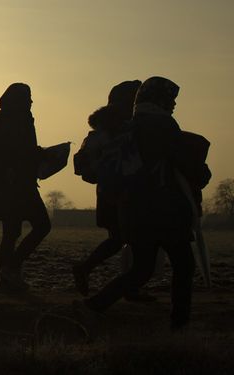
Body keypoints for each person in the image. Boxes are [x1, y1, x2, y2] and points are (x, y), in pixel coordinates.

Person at [77, 77, 197, 331]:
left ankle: (95, 305)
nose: (173, 104)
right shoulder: (164, 125)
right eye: (171, 99)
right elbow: (184, 162)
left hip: (132, 209)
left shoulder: (128, 128)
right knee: (184, 265)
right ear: (160, 100)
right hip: (164, 209)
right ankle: (180, 323)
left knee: (141, 269)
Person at [71, 80, 155, 302]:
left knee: (120, 239)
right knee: (132, 240)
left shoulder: (102, 131)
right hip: (123, 194)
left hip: (110, 192)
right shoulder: (121, 131)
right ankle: (123, 286)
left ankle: (94, 272)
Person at [0, 83, 51, 292]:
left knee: (11, 233)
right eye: (27, 98)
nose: (31, 102)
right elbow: (7, 156)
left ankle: (7, 278)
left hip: (14, 186)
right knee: (40, 226)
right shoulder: (14, 124)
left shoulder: (11, 122)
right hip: (17, 187)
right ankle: (11, 270)